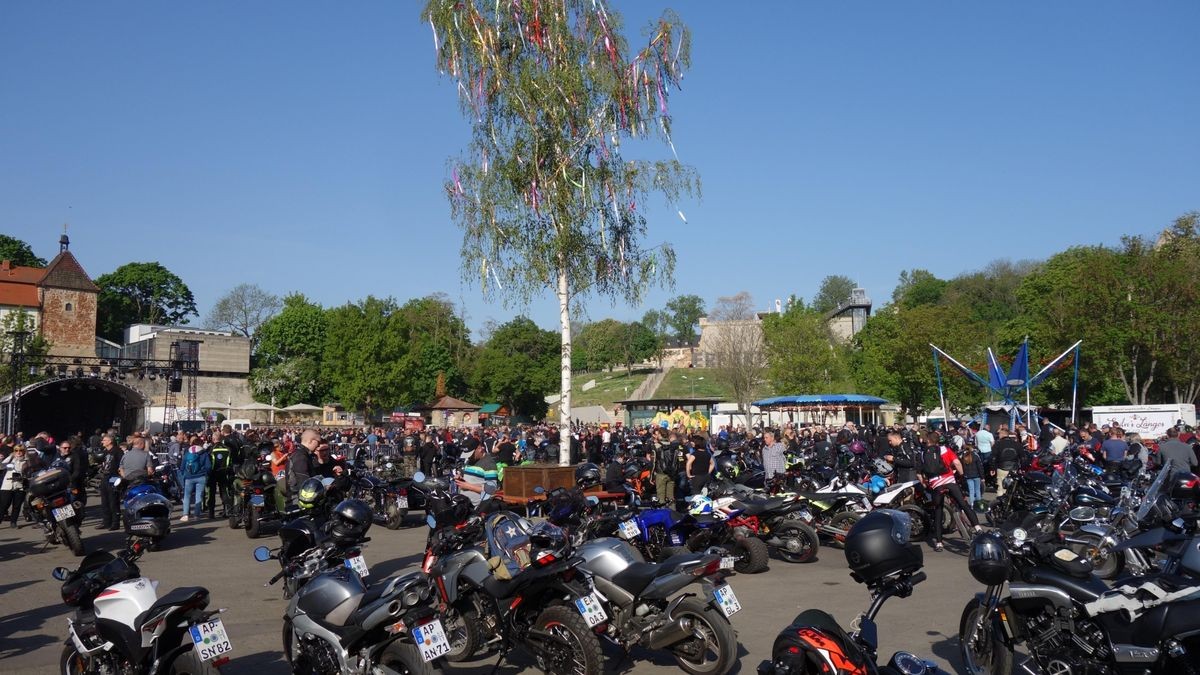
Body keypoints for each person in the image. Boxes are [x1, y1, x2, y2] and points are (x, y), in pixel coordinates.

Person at [921, 431, 980, 552]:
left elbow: (921, 471)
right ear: (939, 440)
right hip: (949, 480)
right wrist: (962, 475)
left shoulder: (923, 453)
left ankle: (938, 543)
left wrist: (926, 483)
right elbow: (957, 463)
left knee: (938, 511)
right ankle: (977, 527)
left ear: (928, 441)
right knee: (963, 504)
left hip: (936, 484)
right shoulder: (945, 450)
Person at [179, 438, 210, 522]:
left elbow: (182, 466)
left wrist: (183, 474)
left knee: (187, 496)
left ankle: (185, 515)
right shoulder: (204, 453)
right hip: (201, 477)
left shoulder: (187, 452)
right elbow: (208, 466)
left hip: (189, 477)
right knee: (198, 496)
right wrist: (206, 473)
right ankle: (196, 515)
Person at [97, 434, 123, 531]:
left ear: (110, 441)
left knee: (113, 501)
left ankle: (115, 523)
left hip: (113, 477)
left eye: (104, 440)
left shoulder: (117, 451)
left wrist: (120, 477)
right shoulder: (105, 452)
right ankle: (106, 521)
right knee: (105, 501)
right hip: (105, 477)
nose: (102, 442)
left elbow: (121, 464)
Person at [287, 430, 317, 506]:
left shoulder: (303, 453)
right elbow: (303, 480)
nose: (319, 445)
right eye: (318, 442)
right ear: (311, 441)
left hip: (301, 497)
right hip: (299, 499)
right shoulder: (300, 456)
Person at [207, 433, 233, 519]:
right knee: (224, 492)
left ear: (213, 439)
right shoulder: (227, 449)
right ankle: (227, 511)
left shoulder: (211, 449)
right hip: (224, 472)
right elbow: (230, 462)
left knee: (212, 493)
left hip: (213, 473)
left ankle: (211, 513)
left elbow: (208, 463)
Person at [0, 446, 28, 527]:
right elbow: (1, 466)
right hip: (7, 485)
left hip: (20, 486)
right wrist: (0, 459)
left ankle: (13, 522)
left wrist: (24, 477)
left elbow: (30, 471)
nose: (18, 452)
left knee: (17, 505)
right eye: (16, 450)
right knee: (4, 505)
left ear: (24, 451)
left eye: (21, 450)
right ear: (14, 451)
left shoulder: (27, 461)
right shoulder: (10, 459)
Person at [992, 429, 1023, 497]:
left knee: (1000, 487)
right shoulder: (1017, 444)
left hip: (1001, 467)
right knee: (1012, 488)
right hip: (1014, 468)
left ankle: (1000, 504)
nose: (998, 435)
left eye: (999, 434)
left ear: (1003, 434)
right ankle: (1009, 503)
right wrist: (1021, 468)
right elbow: (1022, 457)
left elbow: (993, 457)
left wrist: (993, 468)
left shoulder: (998, 444)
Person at [960, 442, 984, 511]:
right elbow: (980, 467)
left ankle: (972, 505)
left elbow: (963, 467)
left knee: (971, 491)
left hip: (968, 476)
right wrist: (982, 477)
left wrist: (964, 475)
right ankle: (979, 505)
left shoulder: (963, 456)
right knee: (978, 491)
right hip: (976, 475)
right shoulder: (975, 455)